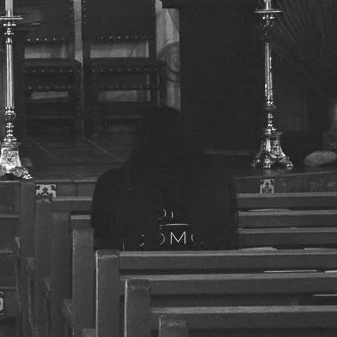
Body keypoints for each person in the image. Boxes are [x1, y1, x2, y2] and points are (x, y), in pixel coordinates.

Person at [90, 104, 238, 251]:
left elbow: (102, 240)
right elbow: (228, 237)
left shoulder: (112, 185)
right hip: (208, 267)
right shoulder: (218, 182)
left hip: (135, 267)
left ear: (140, 140)